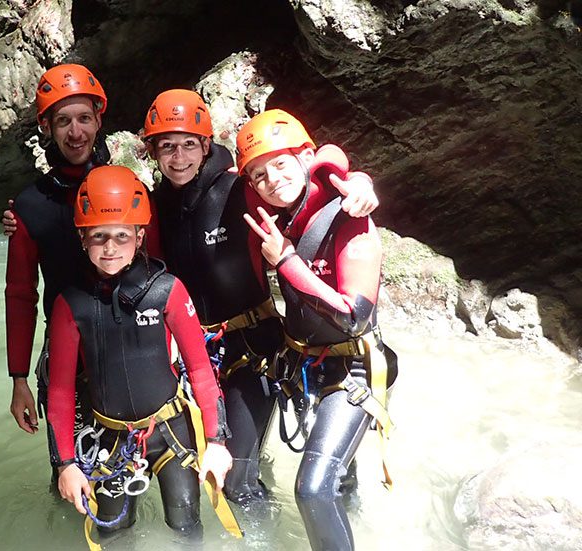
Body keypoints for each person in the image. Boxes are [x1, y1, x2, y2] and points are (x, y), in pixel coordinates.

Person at [141, 89, 379, 504]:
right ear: (153, 153)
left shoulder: (240, 191)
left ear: (206, 145)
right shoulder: (156, 204)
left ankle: (334, 511)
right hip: (196, 353)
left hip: (254, 347)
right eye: (167, 147)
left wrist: (358, 181)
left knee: (237, 482)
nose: (178, 158)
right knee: (208, 468)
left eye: (188, 145)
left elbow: (307, 176)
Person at [237, 109, 397, 551]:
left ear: (305, 159)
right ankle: (357, 524)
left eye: (281, 164)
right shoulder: (283, 217)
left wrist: (286, 261)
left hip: (354, 370)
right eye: (260, 175)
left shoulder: (349, 215)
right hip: (309, 367)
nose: (272, 180)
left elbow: (354, 316)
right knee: (339, 481)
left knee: (312, 491)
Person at [46, 165, 234, 539]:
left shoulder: (168, 291)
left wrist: (216, 442)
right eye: (99, 236)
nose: (110, 247)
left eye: (121, 235)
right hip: (111, 438)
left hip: (171, 433)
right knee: (113, 534)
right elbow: (61, 392)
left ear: (140, 236)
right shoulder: (71, 305)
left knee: (186, 527)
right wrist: (65, 463)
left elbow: (200, 370)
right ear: (82, 238)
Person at [5, 63, 110, 447]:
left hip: (127, 350)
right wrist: (18, 378)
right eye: (63, 121)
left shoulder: (126, 190)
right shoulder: (30, 206)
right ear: (46, 127)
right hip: (67, 360)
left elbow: (160, 276)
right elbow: (20, 294)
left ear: (98, 121)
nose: (75, 132)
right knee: (67, 473)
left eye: (84, 118)